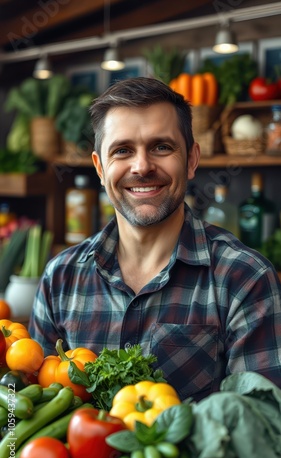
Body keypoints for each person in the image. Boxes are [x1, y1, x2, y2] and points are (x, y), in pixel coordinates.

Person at [29, 76, 281, 403]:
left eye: (161, 147)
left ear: (191, 159)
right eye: (122, 150)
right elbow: (24, 412)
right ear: (100, 168)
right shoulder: (59, 278)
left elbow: (261, 428)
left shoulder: (244, 279)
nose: (142, 166)